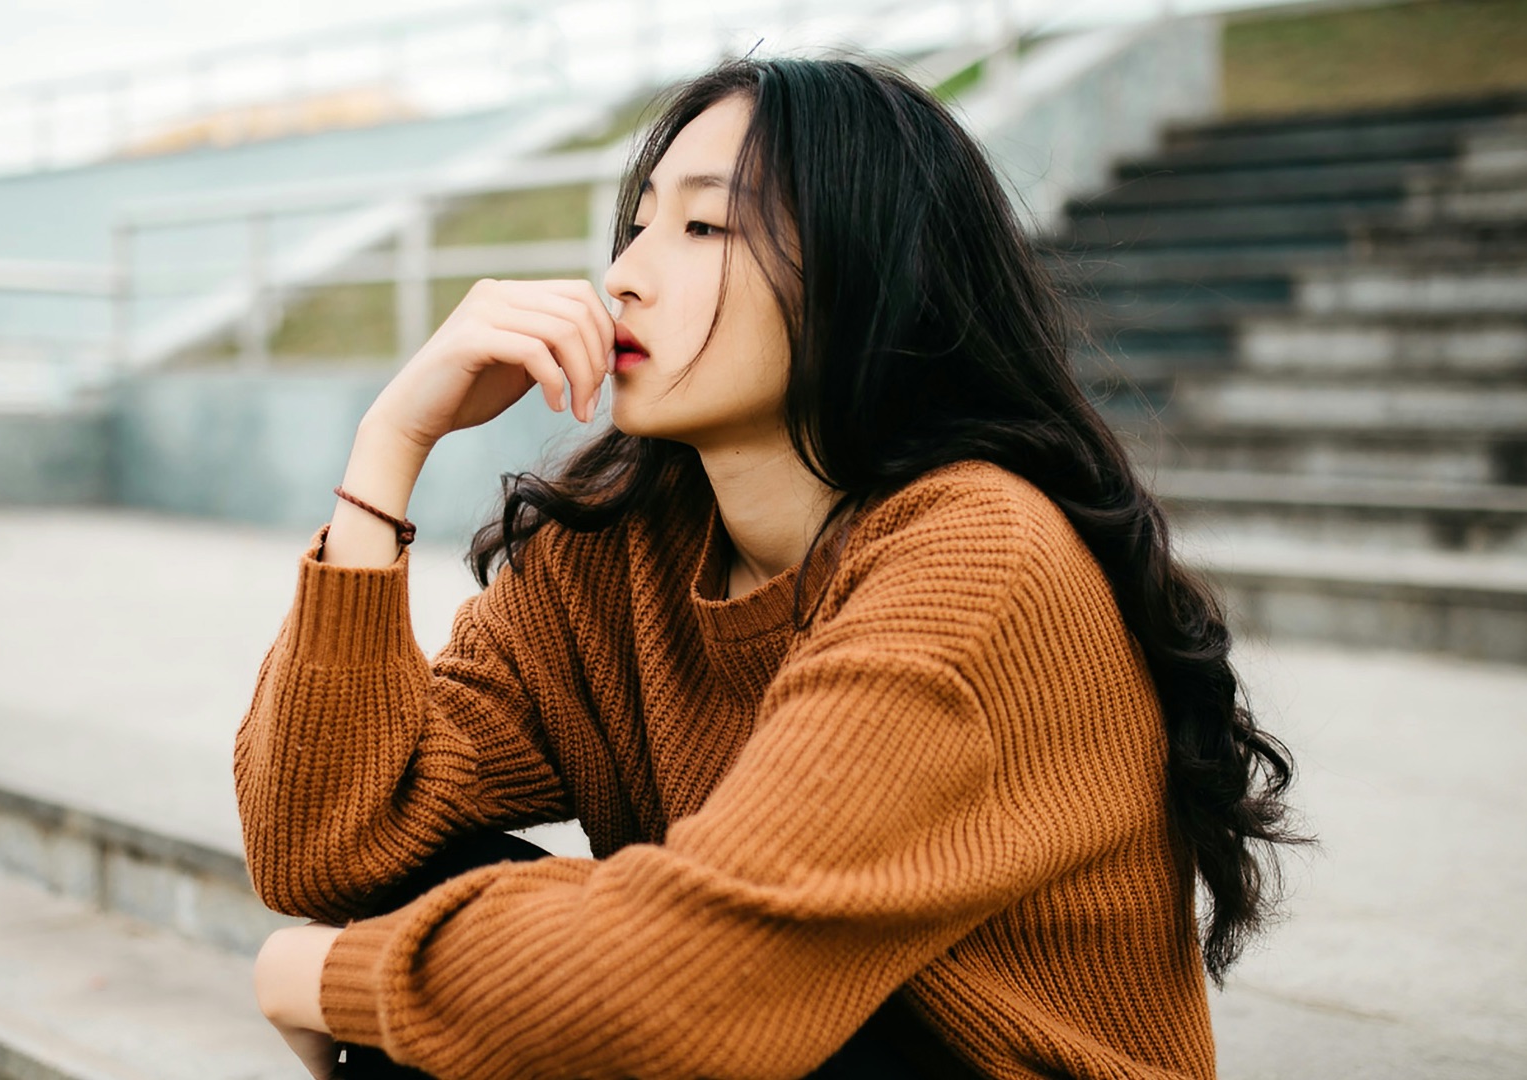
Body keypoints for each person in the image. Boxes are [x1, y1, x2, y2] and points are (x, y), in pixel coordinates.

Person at [235, 55, 1303, 1080]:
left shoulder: (978, 558)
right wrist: (388, 452)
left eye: (703, 226)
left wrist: (325, 980)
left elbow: (700, 980)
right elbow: (325, 845)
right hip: (776, 1041)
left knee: (515, 1001)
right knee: (437, 915)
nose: (624, 277)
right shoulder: (615, 550)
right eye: (641, 222)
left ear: (863, 280)